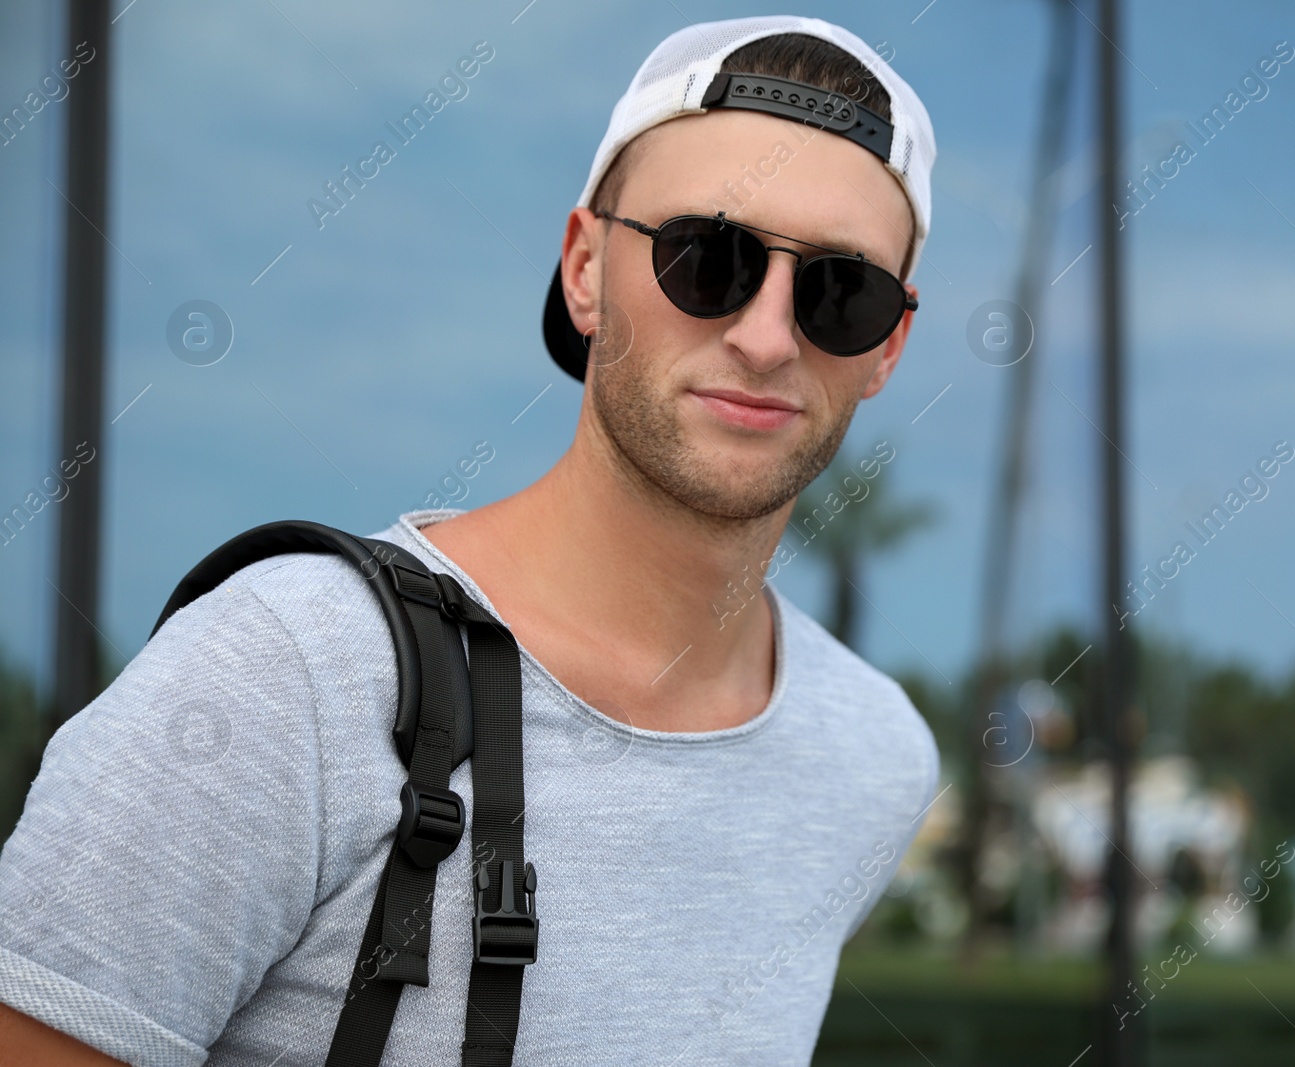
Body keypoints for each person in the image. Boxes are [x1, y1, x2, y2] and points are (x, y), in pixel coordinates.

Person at [0, 13, 940, 1066]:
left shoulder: (869, 755)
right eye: (706, 258)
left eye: (839, 292)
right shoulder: (284, 679)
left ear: (890, 346)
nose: (766, 335)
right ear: (585, 268)